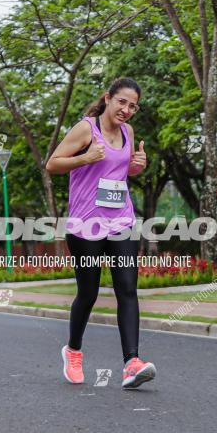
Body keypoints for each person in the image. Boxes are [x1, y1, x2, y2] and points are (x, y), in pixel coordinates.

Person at [45, 77, 155, 389]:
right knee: (89, 293)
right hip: (86, 224)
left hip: (120, 220)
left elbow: (121, 171)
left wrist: (137, 166)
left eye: (133, 106)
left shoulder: (127, 132)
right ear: (108, 98)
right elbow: (52, 164)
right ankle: (74, 350)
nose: (127, 110)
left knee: (127, 289)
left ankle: (132, 362)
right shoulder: (85, 129)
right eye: (122, 102)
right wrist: (85, 157)